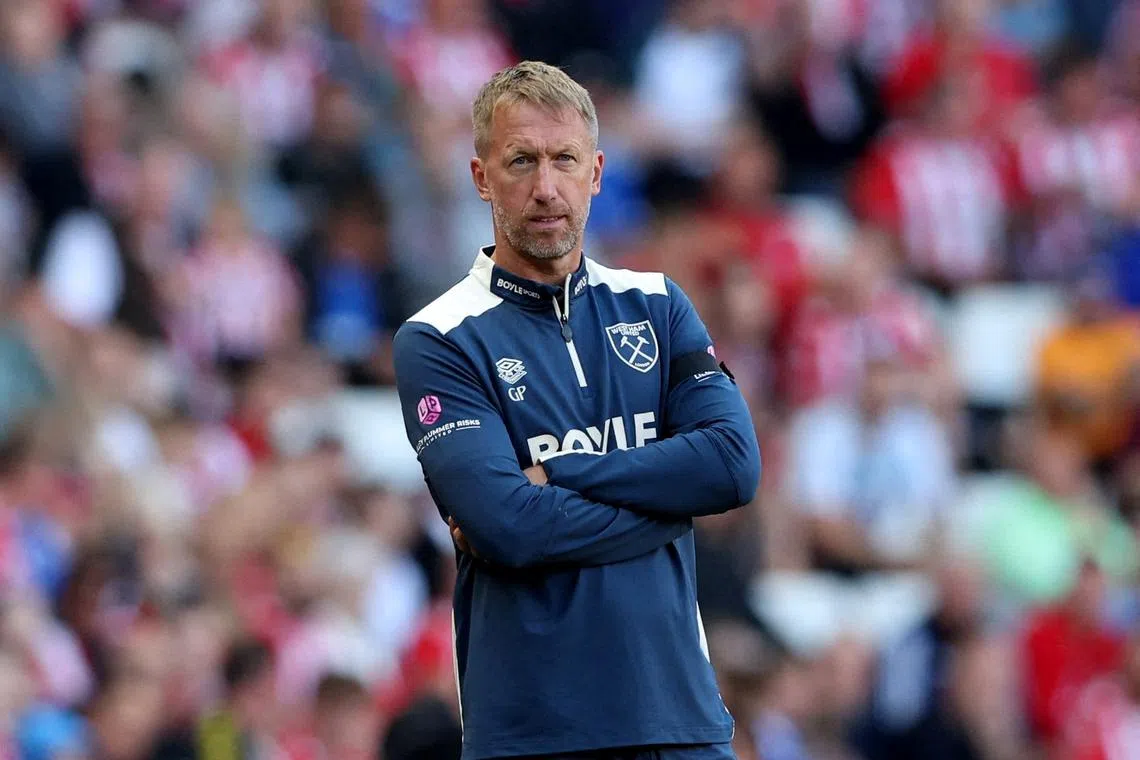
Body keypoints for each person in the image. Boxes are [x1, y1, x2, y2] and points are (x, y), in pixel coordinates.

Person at [392, 61, 762, 760]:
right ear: (480, 178)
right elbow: (509, 527)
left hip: (682, 723)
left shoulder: (656, 303)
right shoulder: (437, 337)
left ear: (595, 173)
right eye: (521, 161)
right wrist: (670, 501)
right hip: (537, 737)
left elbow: (733, 468)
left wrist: (559, 472)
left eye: (564, 161)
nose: (545, 187)